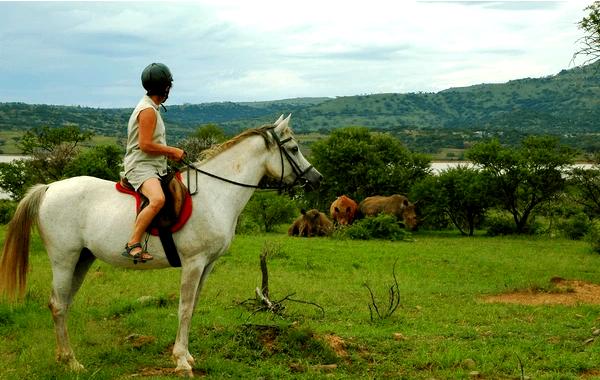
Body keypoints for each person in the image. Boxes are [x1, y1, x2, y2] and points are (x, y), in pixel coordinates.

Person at [121, 63, 185, 262]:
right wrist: (171, 151)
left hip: (154, 166)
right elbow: (145, 145)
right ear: (166, 88)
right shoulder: (147, 110)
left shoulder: (151, 107)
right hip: (141, 167)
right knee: (157, 199)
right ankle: (133, 243)